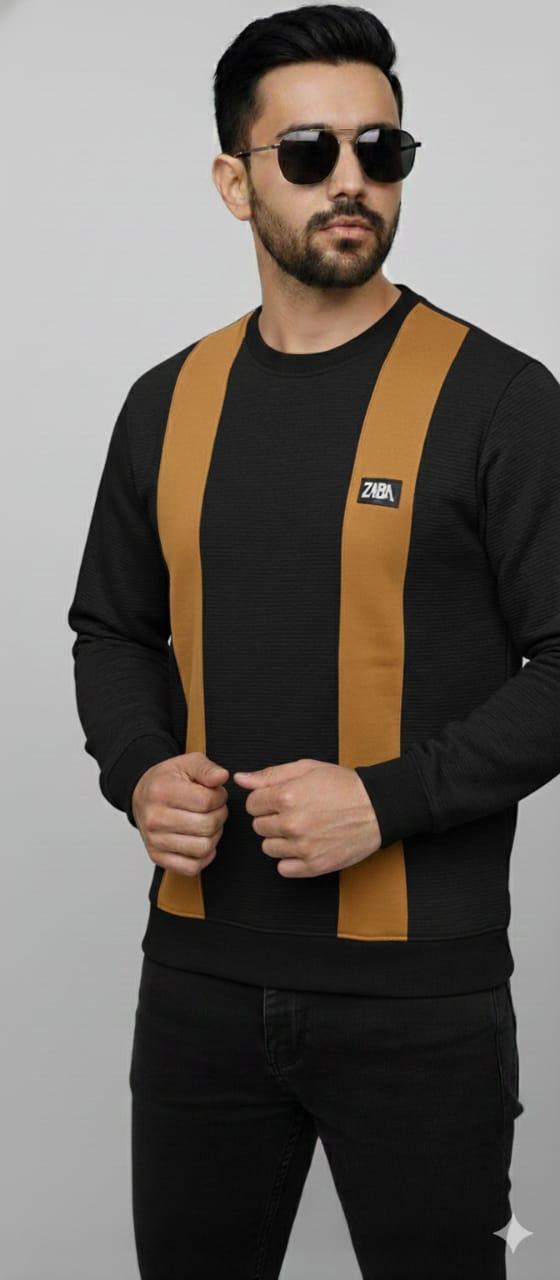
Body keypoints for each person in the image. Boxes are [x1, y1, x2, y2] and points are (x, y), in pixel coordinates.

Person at [67, 6, 560, 1277]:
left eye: (378, 148)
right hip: (195, 989)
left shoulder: (500, 400)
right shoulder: (164, 402)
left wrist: (385, 801)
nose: (351, 178)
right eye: (308, 151)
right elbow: (111, 627)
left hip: (423, 1004)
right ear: (235, 181)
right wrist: (137, 767)